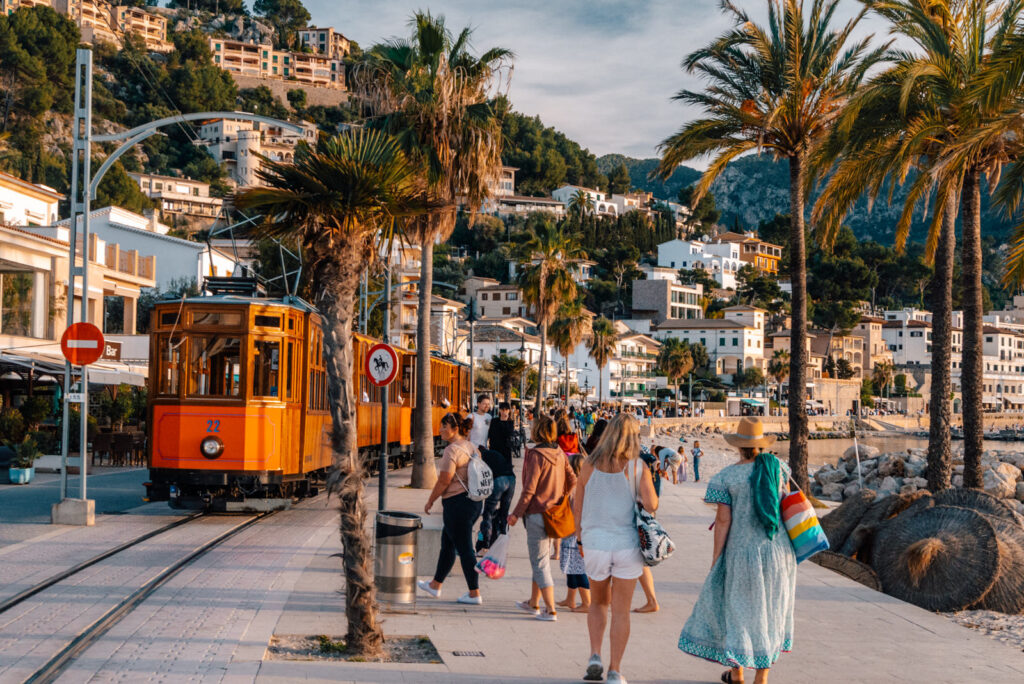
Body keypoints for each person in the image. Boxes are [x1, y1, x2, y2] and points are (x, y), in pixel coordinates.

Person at [678, 417, 797, 684]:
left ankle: (737, 673)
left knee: (739, 612)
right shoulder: (778, 468)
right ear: (761, 445)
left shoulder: (726, 477)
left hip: (742, 554)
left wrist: (716, 559)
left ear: (738, 446)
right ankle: (762, 677)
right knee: (769, 610)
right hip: (779, 553)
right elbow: (786, 504)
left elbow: (723, 521)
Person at [574, 413, 658, 684]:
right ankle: (614, 671)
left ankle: (594, 655)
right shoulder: (637, 467)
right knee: (621, 610)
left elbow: (578, 504)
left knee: (598, 603)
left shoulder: (589, 464)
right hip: (626, 545)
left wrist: (579, 538)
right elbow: (652, 505)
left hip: (595, 543)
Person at [507, 414, 577, 622]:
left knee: (539, 563)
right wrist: (561, 497)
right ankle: (533, 603)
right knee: (541, 560)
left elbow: (529, 490)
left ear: (537, 430)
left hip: (537, 513)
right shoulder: (559, 452)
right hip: (554, 512)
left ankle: (550, 609)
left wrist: (515, 514)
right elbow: (573, 479)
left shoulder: (536, 455)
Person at [420, 413, 485, 605]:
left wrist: (431, 500)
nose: (440, 430)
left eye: (444, 426)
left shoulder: (451, 450)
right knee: (448, 544)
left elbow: (444, 480)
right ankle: (435, 585)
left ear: (455, 429)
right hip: (473, 502)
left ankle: (474, 593)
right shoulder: (473, 447)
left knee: (465, 549)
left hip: (457, 504)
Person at [557, 451, 591, 613]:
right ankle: (570, 598)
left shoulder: (574, 487)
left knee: (577, 568)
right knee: (571, 567)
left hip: (576, 533)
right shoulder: (585, 484)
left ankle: (586, 602)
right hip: (575, 532)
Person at [477, 445, 516, 552]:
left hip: (499, 481)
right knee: (504, 513)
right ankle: (502, 542)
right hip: (511, 479)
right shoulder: (494, 453)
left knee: (488, 514)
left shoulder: (481, 459)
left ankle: (486, 545)